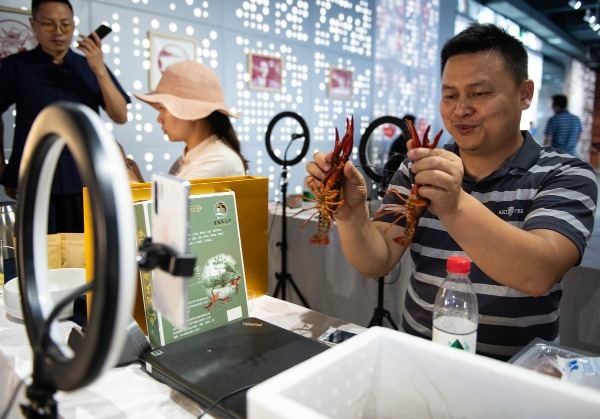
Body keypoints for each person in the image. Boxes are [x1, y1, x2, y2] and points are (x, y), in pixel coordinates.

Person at [306, 23, 598, 361]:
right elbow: (377, 261)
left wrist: (454, 204)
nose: (461, 109)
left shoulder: (566, 173)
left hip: (517, 371)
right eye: (450, 95)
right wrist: (351, 214)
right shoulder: (416, 169)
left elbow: (538, 274)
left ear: (524, 94)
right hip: (420, 357)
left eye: (479, 93)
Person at [0, 0, 130, 233]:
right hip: (34, 175)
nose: (58, 31)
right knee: (39, 248)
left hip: (85, 176)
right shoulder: (16, 66)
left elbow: (120, 115)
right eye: (48, 24)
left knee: (86, 248)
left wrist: (99, 68)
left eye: (65, 24)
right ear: (33, 24)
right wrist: (2, 168)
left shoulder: (89, 65)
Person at [131, 60, 248, 181]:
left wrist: (127, 174)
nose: (159, 119)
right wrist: (137, 180)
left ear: (193, 112)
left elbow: (178, 193)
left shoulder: (219, 160)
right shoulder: (191, 157)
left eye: (163, 108)